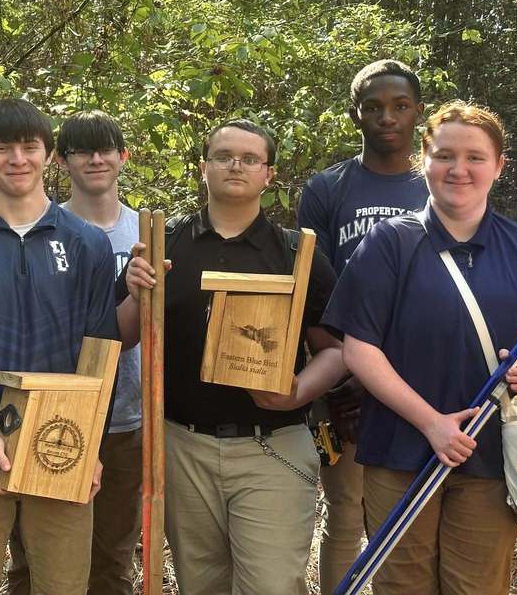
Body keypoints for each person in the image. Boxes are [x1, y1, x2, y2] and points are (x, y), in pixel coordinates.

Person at [322, 101, 517, 595]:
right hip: (400, 452)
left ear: (499, 166)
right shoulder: (388, 244)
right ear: (424, 160)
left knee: (476, 587)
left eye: (475, 157)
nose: (458, 170)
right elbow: (360, 349)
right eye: (444, 155)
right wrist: (431, 423)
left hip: (490, 456)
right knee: (402, 586)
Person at [116, 119, 346, 595]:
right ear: (204, 168)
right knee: (201, 585)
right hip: (182, 447)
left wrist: (297, 392)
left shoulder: (296, 253)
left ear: (269, 175)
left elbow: (337, 351)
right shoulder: (163, 245)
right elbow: (123, 337)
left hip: (273, 446)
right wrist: (137, 293)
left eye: (249, 158)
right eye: (223, 156)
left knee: (271, 586)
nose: (235, 166)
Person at [0, 98, 119, 595]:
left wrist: (89, 442)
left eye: (30, 146)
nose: (17, 159)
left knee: (63, 586)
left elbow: (101, 350)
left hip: (62, 447)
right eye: (2, 147)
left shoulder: (86, 243)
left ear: (49, 155)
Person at [296, 59, 428, 591]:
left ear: (418, 111)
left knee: (413, 512)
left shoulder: (437, 183)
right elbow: (312, 291)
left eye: (399, 106)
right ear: (356, 115)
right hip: (344, 382)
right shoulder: (329, 188)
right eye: (373, 107)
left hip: (423, 381)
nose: (387, 117)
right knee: (346, 511)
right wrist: (345, 376)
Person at [6, 110, 142, 595]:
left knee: (113, 557)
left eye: (106, 148)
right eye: (82, 150)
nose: (96, 159)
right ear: (61, 161)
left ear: (123, 156)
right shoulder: (42, 231)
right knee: (33, 556)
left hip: (126, 418)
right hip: (53, 414)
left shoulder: (146, 232)